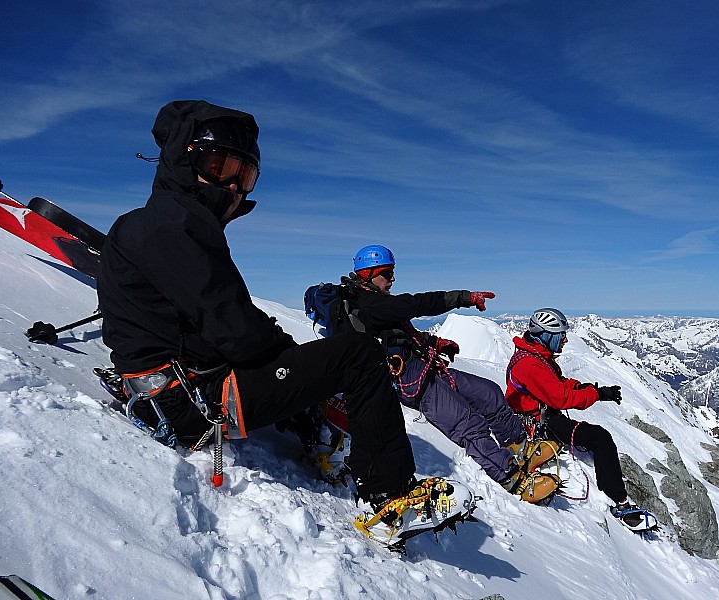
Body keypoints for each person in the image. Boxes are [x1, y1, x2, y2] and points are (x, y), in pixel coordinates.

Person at [96, 100, 475, 547]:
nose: (235, 186)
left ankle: (314, 431)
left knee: (298, 357)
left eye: (246, 176)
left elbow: (210, 316)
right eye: (221, 168)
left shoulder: (161, 223)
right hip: (194, 403)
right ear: (185, 160)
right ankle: (392, 496)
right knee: (357, 354)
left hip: (169, 392)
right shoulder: (172, 225)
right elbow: (236, 333)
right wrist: (287, 354)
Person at [331, 244, 559, 504]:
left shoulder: (376, 302)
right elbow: (417, 304)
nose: (393, 279)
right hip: (409, 379)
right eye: (388, 273)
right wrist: (463, 298)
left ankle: (519, 444)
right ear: (369, 273)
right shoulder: (370, 303)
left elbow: (396, 333)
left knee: (489, 392)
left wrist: (434, 342)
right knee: (467, 423)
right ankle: (512, 478)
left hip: (423, 365)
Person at [505, 307, 658, 531]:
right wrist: (596, 394)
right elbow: (560, 398)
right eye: (561, 335)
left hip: (538, 416)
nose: (565, 340)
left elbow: (557, 383)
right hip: (537, 424)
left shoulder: (535, 356)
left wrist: (589, 389)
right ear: (546, 335)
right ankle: (619, 502)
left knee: (597, 437)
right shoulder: (530, 364)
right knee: (600, 438)